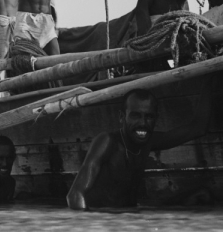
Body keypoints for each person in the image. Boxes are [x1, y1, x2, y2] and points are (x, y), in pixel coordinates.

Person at [66, 87, 212, 209]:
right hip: (104, 221)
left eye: (149, 117)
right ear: (122, 117)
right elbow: (75, 195)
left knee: (199, 194)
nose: (143, 123)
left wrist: (210, 80)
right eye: (135, 116)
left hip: (130, 218)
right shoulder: (107, 142)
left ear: (156, 118)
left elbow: (198, 129)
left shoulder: (148, 141)